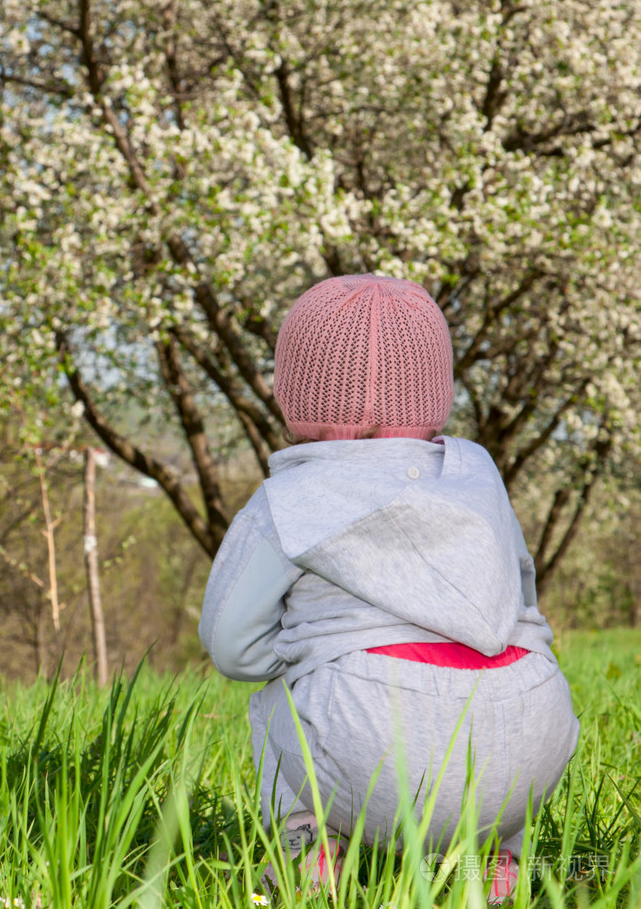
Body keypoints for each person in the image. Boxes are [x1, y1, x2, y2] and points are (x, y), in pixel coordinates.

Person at [199, 274, 579, 900]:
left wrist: (307, 655)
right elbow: (522, 594)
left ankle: (306, 847)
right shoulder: (479, 478)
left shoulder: (288, 502)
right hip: (531, 739)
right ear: (435, 388)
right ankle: (499, 863)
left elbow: (234, 647)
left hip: (372, 742)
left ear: (294, 388)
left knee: (275, 699)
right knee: (508, 689)